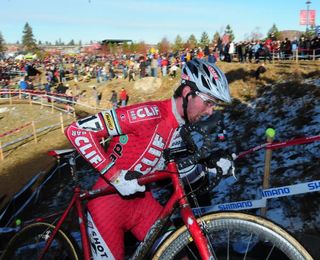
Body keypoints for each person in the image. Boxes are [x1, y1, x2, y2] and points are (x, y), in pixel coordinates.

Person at [65, 59, 235, 259]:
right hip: (107, 206)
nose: (210, 112)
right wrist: (115, 176)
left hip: (142, 203)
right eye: (208, 103)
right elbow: (77, 131)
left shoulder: (182, 130)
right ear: (188, 94)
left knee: (178, 254)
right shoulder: (148, 115)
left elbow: (179, 174)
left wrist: (212, 170)